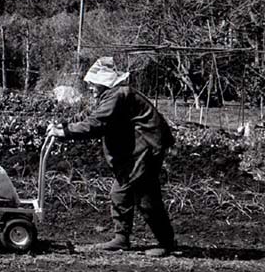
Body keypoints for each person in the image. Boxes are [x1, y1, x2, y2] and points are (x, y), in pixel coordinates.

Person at [47, 56, 176, 257]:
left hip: (145, 148)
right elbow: (91, 116)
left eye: (92, 84)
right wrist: (64, 125)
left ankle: (165, 242)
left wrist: (65, 132)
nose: (90, 87)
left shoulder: (117, 95)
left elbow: (97, 124)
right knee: (125, 193)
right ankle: (122, 238)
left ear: (103, 82)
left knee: (143, 197)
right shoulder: (112, 95)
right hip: (138, 150)